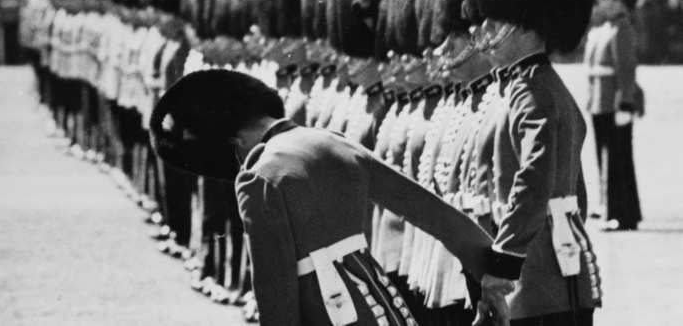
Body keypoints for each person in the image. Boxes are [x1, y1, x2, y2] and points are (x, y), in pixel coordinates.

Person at [149, 68, 513, 326]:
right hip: (389, 310)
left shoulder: (259, 178)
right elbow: (440, 217)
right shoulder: (333, 143)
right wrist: (492, 288)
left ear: (235, 142)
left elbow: (274, 295)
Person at [472, 0, 602, 325]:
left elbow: (534, 181)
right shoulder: (524, 88)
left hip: (541, 279)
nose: (486, 32)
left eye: (495, 21)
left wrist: (503, 262)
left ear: (520, 19)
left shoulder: (535, 93)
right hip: (540, 272)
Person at [584, 0, 643, 230]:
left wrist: (626, 103)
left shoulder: (622, 30)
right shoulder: (603, 29)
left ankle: (621, 211)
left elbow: (626, 70)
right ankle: (608, 204)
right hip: (599, 102)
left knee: (618, 160)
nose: (601, 2)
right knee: (604, 159)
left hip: (614, 103)